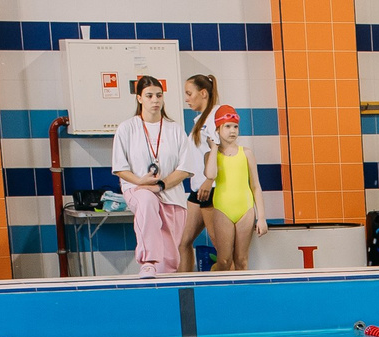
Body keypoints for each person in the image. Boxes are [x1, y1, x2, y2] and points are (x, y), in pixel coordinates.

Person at [111, 75, 192, 278]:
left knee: (170, 259)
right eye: (149, 96)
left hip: (171, 194)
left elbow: (185, 168)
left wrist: (161, 185)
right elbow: (119, 168)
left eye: (158, 95)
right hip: (137, 189)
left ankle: (164, 285)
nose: (155, 100)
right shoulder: (127, 128)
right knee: (147, 201)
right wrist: (140, 181)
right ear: (139, 98)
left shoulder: (175, 129)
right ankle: (147, 261)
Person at [201, 107, 265, 271]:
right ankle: (216, 280)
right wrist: (214, 148)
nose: (232, 131)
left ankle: (243, 289)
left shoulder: (247, 153)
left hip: (246, 209)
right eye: (227, 126)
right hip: (222, 210)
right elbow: (211, 175)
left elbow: (256, 186)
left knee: (242, 260)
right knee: (224, 260)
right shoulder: (210, 156)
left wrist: (261, 217)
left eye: (235, 126)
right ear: (217, 129)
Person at [176, 74, 217, 272]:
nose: (187, 99)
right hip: (197, 189)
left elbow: (220, 152)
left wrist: (210, 180)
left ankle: (232, 287)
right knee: (183, 243)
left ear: (203, 93)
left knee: (223, 250)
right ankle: (184, 287)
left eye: (189, 93)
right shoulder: (200, 120)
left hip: (211, 189)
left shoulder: (215, 118)